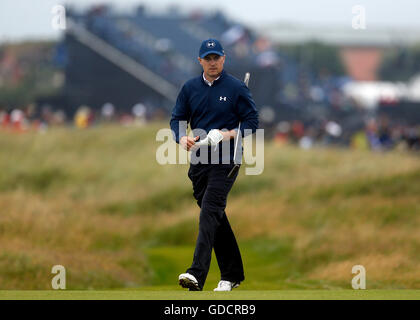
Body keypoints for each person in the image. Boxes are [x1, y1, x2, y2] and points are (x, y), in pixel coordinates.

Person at [170, 38, 259, 291]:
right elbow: (177, 118)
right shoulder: (189, 88)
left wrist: (228, 134)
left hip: (227, 159)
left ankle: (196, 273)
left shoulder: (236, 88)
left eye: (216, 58)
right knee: (215, 217)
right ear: (200, 61)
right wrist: (181, 137)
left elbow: (252, 122)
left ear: (223, 59)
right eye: (207, 58)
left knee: (209, 210)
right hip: (199, 160)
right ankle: (232, 274)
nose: (212, 62)